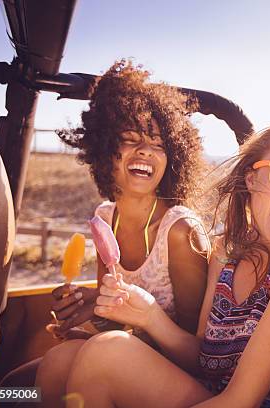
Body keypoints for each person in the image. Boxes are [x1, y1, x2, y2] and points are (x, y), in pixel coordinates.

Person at [63, 121, 270, 407]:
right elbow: (204, 361)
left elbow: (240, 400)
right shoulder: (224, 253)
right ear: (251, 178)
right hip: (209, 393)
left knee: (106, 354)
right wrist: (150, 317)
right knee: (61, 363)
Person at [30, 59, 210, 407]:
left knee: (92, 357)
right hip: (126, 350)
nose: (144, 150)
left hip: (179, 372)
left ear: (172, 158)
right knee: (47, 368)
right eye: (129, 139)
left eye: (158, 144)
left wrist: (137, 321)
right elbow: (112, 319)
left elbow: (198, 353)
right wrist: (89, 313)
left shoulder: (180, 233)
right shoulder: (104, 218)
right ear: (103, 151)